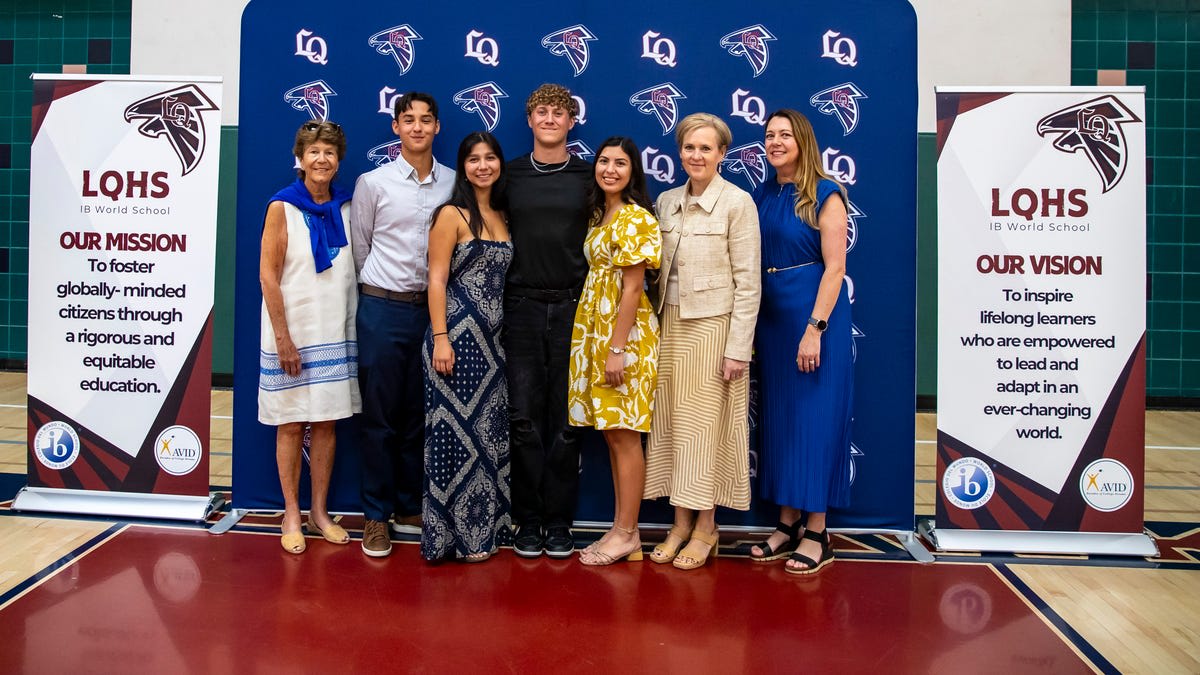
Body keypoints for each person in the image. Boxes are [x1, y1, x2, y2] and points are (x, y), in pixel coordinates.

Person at [643, 113, 761, 570]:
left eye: (706, 148)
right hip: (669, 326)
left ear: (722, 154)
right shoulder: (666, 201)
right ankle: (679, 524)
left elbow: (748, 283)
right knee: (673, 426)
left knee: (705, 430)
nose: (697, 155)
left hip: (714, 329)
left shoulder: (738, 203)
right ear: (680, 152)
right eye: (690, 147)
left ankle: (706, 527)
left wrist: (738, 348)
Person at [749, 109, 853, 575]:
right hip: (773, 320)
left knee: (814, 422)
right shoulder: (764, 193)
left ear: (802, 141)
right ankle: (787, 523)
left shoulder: (826, 193)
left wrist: (815, 328)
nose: (775, 142)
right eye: (769, 135)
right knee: (783, 422)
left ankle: (817, 532)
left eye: (784, 135)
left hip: (812, 316)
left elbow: (836, 268)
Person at [351, 92, 454, 557]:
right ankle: (375, 516)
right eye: (408, 120)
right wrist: (379, 296)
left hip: (431, 314)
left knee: (418, 414)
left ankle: (409, 506)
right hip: (382, 308)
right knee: (379, 416)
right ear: (395, 127)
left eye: (425, 120)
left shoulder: (453, 183)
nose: (417, 127)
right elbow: (361, 247)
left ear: (437, 127)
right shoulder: (373, 183)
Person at [259, 120, 359, 555]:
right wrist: (283, 338)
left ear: (338, 161)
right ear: (299, 159)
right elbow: (268, 276)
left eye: (329, 152)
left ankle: (319, 512)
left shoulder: (347, 207)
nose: (322, 159)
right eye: (314, 152)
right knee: (290, 423)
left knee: (326, 423)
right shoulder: (282, 207)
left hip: (334, 332)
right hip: (293, 334)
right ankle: (291, 513)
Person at [504, 84, 593, 558]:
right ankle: (528, 520)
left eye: (560, 112)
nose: (551, 119)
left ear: (572, 121)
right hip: (520, 306)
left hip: (574, 307)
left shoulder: (589, 176)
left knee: (566, 422)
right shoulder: (510, 175)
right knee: (523, 418)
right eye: (542, 111)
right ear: (530, 119)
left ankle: (559, 522)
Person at [567, 137, 662, 566]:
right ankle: (624, 530)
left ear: (632, 171)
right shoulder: (600, 214)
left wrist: (617, 349)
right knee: (612, 433)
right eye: (604, 161)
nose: (610, 169)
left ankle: (626, 532)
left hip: (625, 338)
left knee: (624, 436)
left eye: (620, 163)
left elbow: (634, 288)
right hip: (597, 332)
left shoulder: (636, 217)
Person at [422, 132, 513, 563]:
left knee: (486, 439)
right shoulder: (451, 214)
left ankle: (484, 534)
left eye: (490, 158)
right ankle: (448, 538)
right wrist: (441, 338)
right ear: (463, 166)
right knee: (453, 440)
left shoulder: (502, 214)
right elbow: (436, 279)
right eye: (474, 159)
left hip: (493, 348)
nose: (483, 166)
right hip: (455, 343)